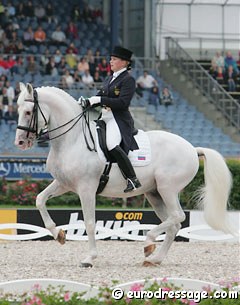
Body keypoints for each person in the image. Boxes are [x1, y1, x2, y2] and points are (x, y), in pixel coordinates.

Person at [80, 46, 141, 193]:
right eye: (111, 59)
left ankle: (132, 179)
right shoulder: (109, 78)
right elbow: (99, 95)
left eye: (114, 59)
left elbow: (122, 103)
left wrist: (99, 99)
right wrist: (87, 101)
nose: (110, 61)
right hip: (104, 117)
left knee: (112, 144)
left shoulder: (128, 80)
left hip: (118, 119)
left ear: (124, 62)